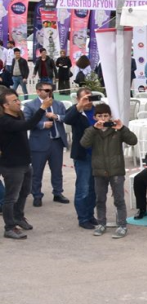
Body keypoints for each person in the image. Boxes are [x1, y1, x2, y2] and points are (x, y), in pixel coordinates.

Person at [79, 103, 137, 238]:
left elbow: (133, 141)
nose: (103, 119)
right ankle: (101, 224)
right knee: (100, 199)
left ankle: (122, 225)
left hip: (116, 170)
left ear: (110, 116)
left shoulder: (117, 130)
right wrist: (94, 129)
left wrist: (122, 128)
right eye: (100, 116)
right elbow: (83, 144)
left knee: (119, 200)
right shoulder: (91, 130)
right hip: (99, 170)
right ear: (94, 117)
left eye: (106, 116)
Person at [0, 89, 50, 239]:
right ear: (5, 105)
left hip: (25, 161)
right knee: (11, 197)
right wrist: (42, 108)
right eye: (14, 101)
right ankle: (9, 227)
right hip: (11, 165)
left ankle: (19, 217)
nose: (18, 102)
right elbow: (28, 125)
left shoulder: (18, 114)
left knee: (24, 192)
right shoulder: (5, 121)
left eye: (17, 99)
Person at [24, 82, 69, 207]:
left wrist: (57, 117)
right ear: (38, 91)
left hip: (56, 141)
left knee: (57, 170)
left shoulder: (58, 104)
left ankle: (58, 193)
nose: (49, 92)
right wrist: (42, 125)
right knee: (37, 171)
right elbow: (26, 122)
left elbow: (67, 117)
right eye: (46, 90)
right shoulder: (30, 105)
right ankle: (37, 195)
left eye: (51, 90)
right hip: (39, 142)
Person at [63, 88, 99, 229]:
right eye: (84, 98)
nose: (88, 101)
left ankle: (90, 215)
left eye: (89, 98)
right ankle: (83, 218)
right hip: (83, 155)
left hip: (97, 155)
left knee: (93, 188)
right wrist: (80, 106)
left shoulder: (97, 111)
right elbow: (67, 119)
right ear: (78, 99)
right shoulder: (76, 112)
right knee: (83, 188)